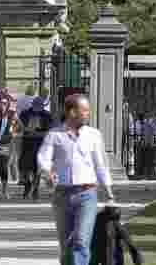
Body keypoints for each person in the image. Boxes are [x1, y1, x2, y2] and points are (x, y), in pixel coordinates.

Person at [37, 93, 116, 265]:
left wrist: (109, 193)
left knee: (81, 241)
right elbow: (43, 157)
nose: (88, 113)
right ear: (72, 112)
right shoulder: (55, 135)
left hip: (87, 194)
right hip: (62, 195)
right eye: (85, 110)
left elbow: (100, 164)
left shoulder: (93, 135)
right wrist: (48, 171)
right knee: (66, 246)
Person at [20, 94, 53, 199]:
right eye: (36, 105)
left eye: (40, 105)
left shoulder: (47, 115)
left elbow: (49, 131)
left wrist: (39, 134)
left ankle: (35, 188)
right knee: (24, 167)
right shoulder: (25, 114)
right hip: (27, 144)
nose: (37, 108)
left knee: (37, 168)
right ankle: (27, 184)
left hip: (40, 144)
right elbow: (19, 127)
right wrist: (25, 131)